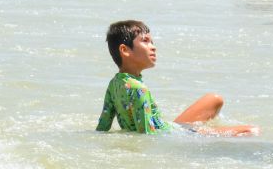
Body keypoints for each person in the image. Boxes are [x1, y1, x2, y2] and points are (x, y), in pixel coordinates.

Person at [96, 20, 259, 136]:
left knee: (214, 99)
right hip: (180, 135)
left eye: (152, 42)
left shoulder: (114, 84)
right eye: (145, 41)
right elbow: (147, 134)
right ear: (125, 50)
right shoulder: (139, 89)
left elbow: (103, 126)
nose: (153, 47)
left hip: (172, 128)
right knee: (251, 131)